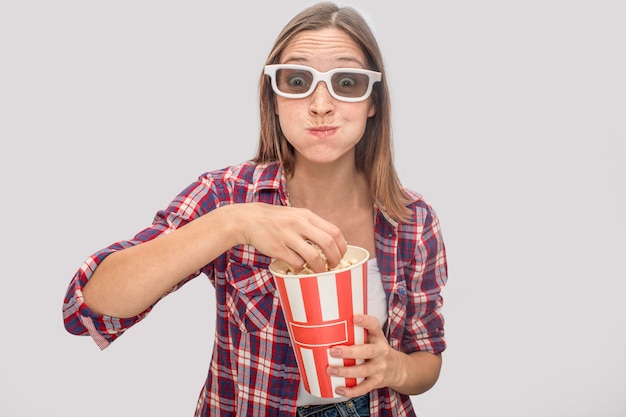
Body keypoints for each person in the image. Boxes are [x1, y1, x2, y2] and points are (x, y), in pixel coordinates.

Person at [62, 2, 448, 416]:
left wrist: (394, 368)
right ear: (274, 98)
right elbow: (87, 307)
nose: (321, 104)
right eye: (298, 80)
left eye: (347, 82)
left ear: (373, 101)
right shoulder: (227, 195)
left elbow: (426, 359)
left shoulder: (411, 220)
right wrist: (232, 224)